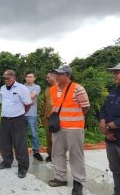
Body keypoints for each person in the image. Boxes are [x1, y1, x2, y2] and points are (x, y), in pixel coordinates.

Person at [48, 65, 90, 195]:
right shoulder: (53, 89)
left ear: (67, 75)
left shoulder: (78, 88)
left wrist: (73, 118)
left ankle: (78, 183)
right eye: (56, 73)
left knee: (75, 155)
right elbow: (56, 106)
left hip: (74, 128)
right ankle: (61, 178)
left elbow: (85, 107)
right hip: (58, 127)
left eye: (60, 74)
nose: (57, 76)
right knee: (57, 153)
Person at [0, 70, 32, 178]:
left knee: (20, 144)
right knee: (5, 143)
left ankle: (23, 167)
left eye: (7, 78)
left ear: (13, 77)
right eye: (4, 78)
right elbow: (3, 102)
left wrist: (20, 114)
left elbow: (28, 104)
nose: (5, 80)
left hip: (18, 120)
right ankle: (7, 162)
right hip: (5, 120)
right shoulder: (2, 88)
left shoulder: (22, 88)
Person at [99, 62, 120, 195]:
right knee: (116, 170)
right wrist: (103, 124)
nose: (114, 75)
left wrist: (108, 126)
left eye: (117, 72)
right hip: (111, 139)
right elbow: (104, 108)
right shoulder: (115, 90)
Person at [24, 71, 43, 161]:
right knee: (21, 134)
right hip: (21, 114)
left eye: (31, 77)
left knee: (34, 134)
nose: (29, 78)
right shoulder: (21, 87)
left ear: (34, 78)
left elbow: (33, 95)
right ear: (25, 78)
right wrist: (29, 99)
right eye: (27, 77)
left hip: (32, 114)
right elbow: (20, 98)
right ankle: (22, 151)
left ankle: (36, 152)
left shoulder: (37, 87)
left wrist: (25, 98)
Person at [40, 71, 57, 162]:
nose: (47, 79)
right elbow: (45, 103)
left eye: (48, 77)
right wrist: (42, 116)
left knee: (58, 137)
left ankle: (59, 155)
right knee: (48, 136)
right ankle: (50, 154)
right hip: (47, 116)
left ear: (54, 76)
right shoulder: (47, 89)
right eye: (46, 78)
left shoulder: (61, 88)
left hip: (58, 117)